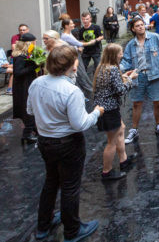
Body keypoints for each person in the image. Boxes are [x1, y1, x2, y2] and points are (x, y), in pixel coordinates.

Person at [27, 45, 103, 242]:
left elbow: (30, 110)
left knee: (51, 181)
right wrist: (96, 112)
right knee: (70, 186)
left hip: (45, 142)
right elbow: (80, 124)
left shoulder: (36, 83)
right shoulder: (71, 91)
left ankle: (43, 225)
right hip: (68, 144)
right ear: (71, 65)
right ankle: (72, 230)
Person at [121, 18, 159, 143]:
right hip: (138, 76)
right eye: (137, 25)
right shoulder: (131, 45)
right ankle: (134, 130)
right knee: (136, 104)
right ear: (133, 29)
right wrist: (117, 70)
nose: (141, 27)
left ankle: (158, 125)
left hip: (155, 75)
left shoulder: (155, 37)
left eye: (142, 24)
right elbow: (126, 61)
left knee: (157, 102)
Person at [93, 44, 139, 180]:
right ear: (114, 55)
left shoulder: (102, 67)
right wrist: (131, 79)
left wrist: (124, 76)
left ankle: (123, 160)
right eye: (120, 53)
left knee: (121, 129)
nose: (122, 55)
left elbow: (111, 85)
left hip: (106, 108)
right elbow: (120, 90)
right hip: (109, 109)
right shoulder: (112, 69)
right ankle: (106, 172)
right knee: (111, 141)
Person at [12, 33, 39, 144]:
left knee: (30, 107)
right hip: (23, 86)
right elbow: (17, 72)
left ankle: (34, 130)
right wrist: (33, 67)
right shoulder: (20, 56)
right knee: (27, 108)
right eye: (33, 42)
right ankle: (26, 135)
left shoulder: (26, 54)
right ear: (28, 43)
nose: (35, 44)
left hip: (26, 84)